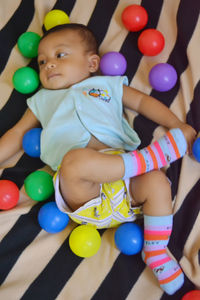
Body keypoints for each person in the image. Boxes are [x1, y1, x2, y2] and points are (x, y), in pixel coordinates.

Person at [0, 24, 196, 295]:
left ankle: (156, 250)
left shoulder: (106, 85)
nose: (48, 66)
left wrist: (177, 126)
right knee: (75, 161)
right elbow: (17, 132)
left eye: (60, 55)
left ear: (92, 63)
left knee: (157, 183)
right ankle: (146, 160)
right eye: (42, 62)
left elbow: (141, 103)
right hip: (85, 197)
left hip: (128, 189)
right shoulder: (42, 100)